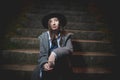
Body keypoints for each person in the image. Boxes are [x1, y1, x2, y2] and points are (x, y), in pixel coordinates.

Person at [31, 13, 73, 80]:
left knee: (63, 72)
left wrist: (54, 54)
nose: (53, 23)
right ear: (49, 24)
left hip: (62, 61)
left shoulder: (66, 35)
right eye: (51, 21)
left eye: (56, 20)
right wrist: (44, 64)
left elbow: (69, 49)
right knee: (37, 73)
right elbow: (42, 54)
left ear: (59, 23)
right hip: (48, 62)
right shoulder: (44, 37)